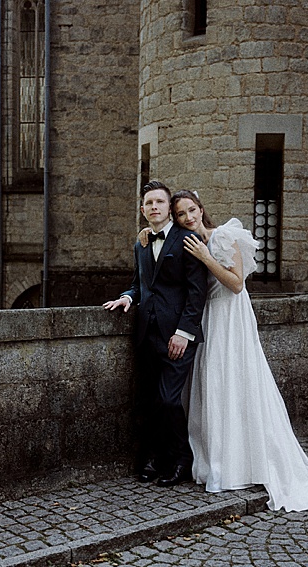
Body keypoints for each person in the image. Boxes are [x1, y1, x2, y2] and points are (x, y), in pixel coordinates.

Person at [141, 190, 308, 515]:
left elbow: (237, 284)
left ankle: (246, 464)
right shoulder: (183, 241)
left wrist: (206, 257)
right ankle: (217, 460)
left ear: (201, 209)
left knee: (238, 383)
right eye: (181, 213)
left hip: (230, 317)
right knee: (212, 388)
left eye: (191, 210)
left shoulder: (224, 236)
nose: (188, 217)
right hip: (207, 319)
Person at [103, 181, 208, 487]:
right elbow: (139, 283)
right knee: (148, 401)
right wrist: (127, 297)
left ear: (168, 208)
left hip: (177, 336)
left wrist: (184, 333)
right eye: (148, 203)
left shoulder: (188, 240)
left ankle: (181, 460)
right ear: (143, 209)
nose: (154, 207)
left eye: (159, 202)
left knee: (169, 400)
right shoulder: (142, 243)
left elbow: (196, 293)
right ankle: (153, 459)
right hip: (146, 333)